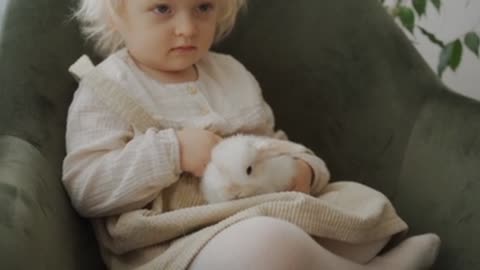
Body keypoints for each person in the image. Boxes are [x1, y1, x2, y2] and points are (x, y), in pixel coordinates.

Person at [63, 0, 440, 269]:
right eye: (163, 8)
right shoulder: (106, 86)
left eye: (203, 8)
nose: (187, 28)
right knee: (265, 246)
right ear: (116, 12)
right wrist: (171, 151)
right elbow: (86, 187)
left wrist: (302, 170)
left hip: (259, 209)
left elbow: (272, 141)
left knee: (362, 204)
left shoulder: (230, 74)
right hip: (174, 243)